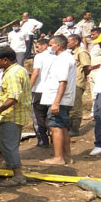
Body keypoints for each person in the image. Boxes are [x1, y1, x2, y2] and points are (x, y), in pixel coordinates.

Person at [0, 46, 32, 186]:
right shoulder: (18, 69)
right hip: (18, 113)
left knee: (9, 146)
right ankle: (10, 164)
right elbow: (12, 92)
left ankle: (18, 176)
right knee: (10, 144)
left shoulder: (12, 74)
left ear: (5, 60)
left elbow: (14, 97)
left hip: (12, 114)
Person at [39, 35, 77, 165]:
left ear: (58, 45)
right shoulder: (65, 58)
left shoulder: (63, 60)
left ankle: (58, 157)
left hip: (59, 99)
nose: (49, 47)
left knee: (55, 127)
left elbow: (62, 82)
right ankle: (67, 157)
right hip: (62, 99)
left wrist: (56, 102)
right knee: (62, 128)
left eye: (51, 45)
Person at [30, 38, 56, 147]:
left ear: (45, 46)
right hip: (52, 90)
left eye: (38, 47)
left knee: (38, 117)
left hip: (39, 90)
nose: (36, 49)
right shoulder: (56, 56)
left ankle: (42, 140)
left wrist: (28, 87)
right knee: (50, 116)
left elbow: (36, 73)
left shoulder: (39, 57)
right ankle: (54, 139)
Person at [67, 34, 91, 136]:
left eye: (69, 41)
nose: (67, 43)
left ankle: (75, 129)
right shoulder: (71, 53)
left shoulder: (81, 52)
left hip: (77, 82)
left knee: (75, 106)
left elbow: (87, 67)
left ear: (76, 42)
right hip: (70, 82)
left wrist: (82, 75)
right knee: (70, 105)